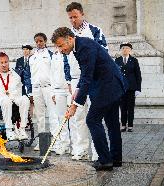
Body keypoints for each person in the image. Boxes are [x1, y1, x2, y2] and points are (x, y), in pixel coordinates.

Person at [51, 27, 125, 171]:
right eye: (58, 47)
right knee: (112, 123)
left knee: (92, 120)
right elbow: (85, 73)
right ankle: (115, 158)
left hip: (107, 86)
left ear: (70, 38)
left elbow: (87, 77)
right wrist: (77, 90)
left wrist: (74, 105)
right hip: (113, 85)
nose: (60, 50)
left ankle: (105, 160)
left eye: (61, 45)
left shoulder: (84, 48)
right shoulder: (81, 46)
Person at [66, 2, 108, 161]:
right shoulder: (68, 34)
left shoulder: (95, 31)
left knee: (95, 117)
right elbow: (65, 59)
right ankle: (81, 149)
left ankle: (97, 153)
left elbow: (103, 54)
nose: (73, 20)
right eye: (70, 17)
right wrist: (69, 80)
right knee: (78, 117)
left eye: (75, 16)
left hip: (93, 79)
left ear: (82, 14)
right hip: (76, 79)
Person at [25, 32, 59, 151]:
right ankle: (41, 142)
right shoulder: (31, 57)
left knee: (53, 115)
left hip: (48, 87)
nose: (39, 43)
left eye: (41, 41)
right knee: (40, 116)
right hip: (36, 89)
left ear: (45, 41)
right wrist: (30, 92)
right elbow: (28, 75)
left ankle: (55, 142)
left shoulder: (51, 54)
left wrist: (54, 91)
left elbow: (55, 73)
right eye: (37, 41)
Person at [115, 43, 142, 132]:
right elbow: (115, 75)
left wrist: (138, 89)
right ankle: (123, 125)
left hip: (131, 88)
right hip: (121, 88)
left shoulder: (134, 60)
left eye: (127, 48)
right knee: (122, 107)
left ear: (130, 50)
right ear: (121, 50)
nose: (125, 50)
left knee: (130, 107)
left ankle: (130, 125)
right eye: (123, 48)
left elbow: (138, 75)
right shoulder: (117, 60)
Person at [50, 50, 72, 155]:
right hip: (58, 90)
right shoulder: (54, 56)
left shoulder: (70, 52)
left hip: (70, 88)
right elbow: (52, 73)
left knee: (73, 119)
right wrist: (53, 92)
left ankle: (76, 146)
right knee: (61, 118)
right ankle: (64, 144)